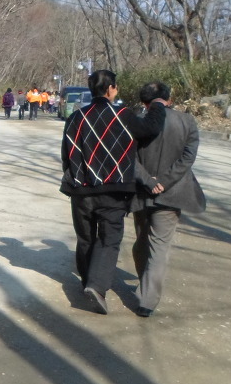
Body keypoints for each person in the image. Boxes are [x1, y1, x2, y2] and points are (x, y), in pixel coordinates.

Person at [60, 70, 167, 315]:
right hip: (114, 190)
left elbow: (66, 154)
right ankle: (96, 287)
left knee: (86, 239)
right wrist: (158, 105)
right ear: (111, 89)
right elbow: (151, 128)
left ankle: (87, 283)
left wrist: (75, 177)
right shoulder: (123, 115)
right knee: (109, 239)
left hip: (81, 190)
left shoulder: (75, 118)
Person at [130, 82, 206, 317]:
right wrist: (164, 181)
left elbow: (128, 156)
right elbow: (188, 158)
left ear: (144, 102)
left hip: (141, 191)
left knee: (142, 242)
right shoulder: (187, 121)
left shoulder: (135, 121)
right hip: (172, 193)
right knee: (159, 246)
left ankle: (145, 287)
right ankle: (147, 301)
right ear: (169, 100)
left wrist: (148, 180)